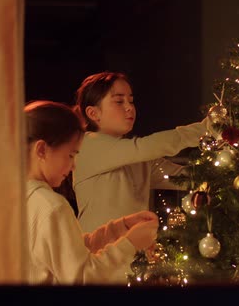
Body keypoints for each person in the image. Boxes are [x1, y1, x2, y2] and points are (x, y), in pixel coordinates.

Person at [24, 100, 159, 285]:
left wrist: (120, 228)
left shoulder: (19, 198)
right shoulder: (52, 206)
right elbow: (83, 277)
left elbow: (67, 252)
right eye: (71, 155)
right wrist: (131, 244)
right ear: (41, 149)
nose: (73, 166)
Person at [72, 71, 212, 233]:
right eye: (119, 101)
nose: (129, 107)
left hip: (135, 253)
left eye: (131, 101)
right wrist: (205, 129)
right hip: (98, 254)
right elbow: (146, 147)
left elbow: (183, 178)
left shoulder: (137, 157)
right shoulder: (88, 144)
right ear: (93, 113)